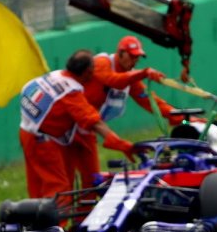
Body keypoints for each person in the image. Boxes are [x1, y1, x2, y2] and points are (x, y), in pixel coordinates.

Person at [18, 49, 137, 203]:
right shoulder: (71, 93)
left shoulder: (56, 75)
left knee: (37, 186)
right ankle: (55, 226)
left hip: (26, 132)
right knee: (59, 189)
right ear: (87, 72)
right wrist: (121, 144)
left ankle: (31, 223)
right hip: (43, 141)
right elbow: (94, 122)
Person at [70, 35, 179, 190]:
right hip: (69, 128)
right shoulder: (102, 63)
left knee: (92, 181)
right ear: (120, 53)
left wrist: (178, 115)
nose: (135, 61)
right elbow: (114, 80)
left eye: (138, 58)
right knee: (65, 180)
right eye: (132, 56)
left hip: (89, 129)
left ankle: (85, 214)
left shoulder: (130, 76)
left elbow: (150, 100)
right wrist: (144, 73)